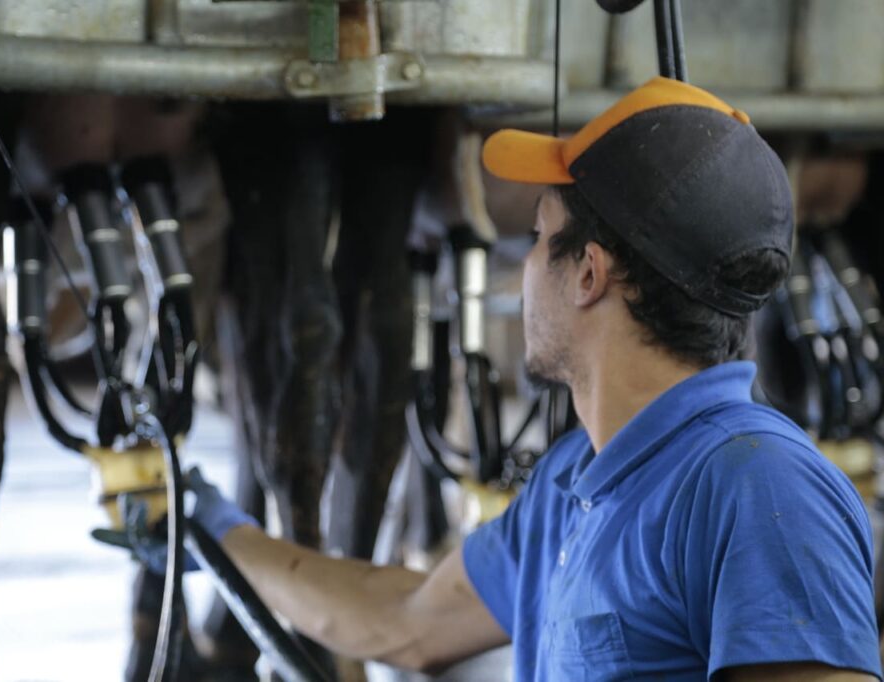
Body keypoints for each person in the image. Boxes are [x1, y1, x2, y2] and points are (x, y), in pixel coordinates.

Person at [130, 77, 884, 680]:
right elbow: (410, 622)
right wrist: (224, 537)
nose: (523, 271)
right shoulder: (576, 482)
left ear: (588, 273)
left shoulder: (757, 488)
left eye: (537, 237)